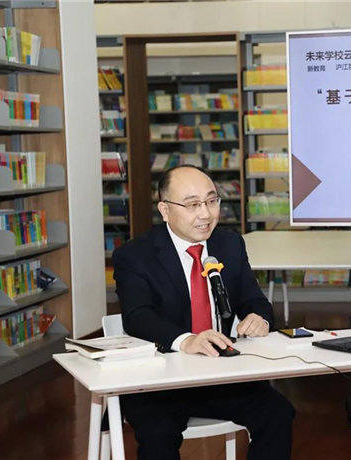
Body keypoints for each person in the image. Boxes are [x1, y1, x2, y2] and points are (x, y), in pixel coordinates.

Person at [112, 165, 295, 460]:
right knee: (158, 436)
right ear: (165, 210)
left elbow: (254, 300)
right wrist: (186, 340)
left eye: (211, 201)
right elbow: (138, 316)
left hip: (220, 375)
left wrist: (258, 318)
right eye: (192, 204)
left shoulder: (230, 244)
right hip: (161, 381)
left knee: (278, 414)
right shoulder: (134, 255)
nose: (206, 214)